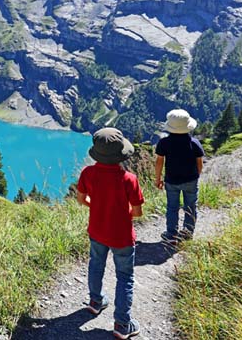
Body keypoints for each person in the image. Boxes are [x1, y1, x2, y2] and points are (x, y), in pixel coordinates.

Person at [76, 127, 144, 339]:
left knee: (96, 264)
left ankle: (95, 302)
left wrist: (95, 206)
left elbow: (80, 199)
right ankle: (122, 324)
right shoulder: (129, 179)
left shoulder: (88, 173)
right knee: (124, 276)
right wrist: (123, 215)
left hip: (96, 231)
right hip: (122, 236)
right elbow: (138, 212)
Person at [154, 109, 205, 244]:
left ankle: (171, 234)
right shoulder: (194, 143)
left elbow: (159, 161)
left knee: (172, 207)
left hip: (171, 181)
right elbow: (199, 163)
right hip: (191, 180)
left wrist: (158, 178)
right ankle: (187, 233)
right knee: (190, 206)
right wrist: (196, 176)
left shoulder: (164, 143)